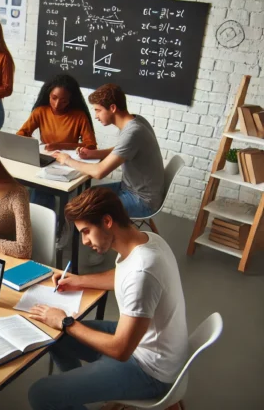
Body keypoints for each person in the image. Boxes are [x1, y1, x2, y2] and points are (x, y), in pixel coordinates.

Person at [27, 187, 187, 410]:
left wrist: (65, 322)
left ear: (107, 221)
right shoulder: (146, 241)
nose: (83, 241)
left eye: (86, 231)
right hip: (145, 342)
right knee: (53, 337)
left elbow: (120, 350)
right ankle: (84, 389)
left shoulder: (143, 271)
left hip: (149, 368)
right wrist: (79, 281)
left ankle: (82, 390)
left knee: (41, 394)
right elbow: (122, 276)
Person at [51, 83, 164, 218]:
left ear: (112, 108)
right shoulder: (136, 121)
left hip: (142, 201)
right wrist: (93, 153)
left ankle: (79, 237)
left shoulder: (133, 132)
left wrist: (67, 160)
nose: (96, 116)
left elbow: (99, 172)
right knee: (85, 196)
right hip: (129, 188)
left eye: (98, 110)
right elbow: (122, 149)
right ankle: (73, 235)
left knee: (85, 208)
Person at [18, 74, 98, 212]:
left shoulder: (79, 116)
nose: (56, 105)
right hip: (44, 160)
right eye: (53, 98)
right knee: (32, 189)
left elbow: (91, 146)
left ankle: (45, 222)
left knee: (41, 194)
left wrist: (59, 145)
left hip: (67, 163)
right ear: (48, 94)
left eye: (63, 101)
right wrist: (31, 143)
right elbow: (21, 134)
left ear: (71, 100)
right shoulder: (41, 111)